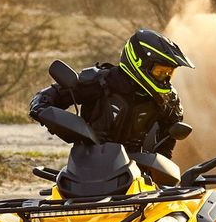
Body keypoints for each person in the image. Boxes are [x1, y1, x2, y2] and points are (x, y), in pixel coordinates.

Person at [29, 28, 193, 157]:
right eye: (160, 72)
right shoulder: (100, 82)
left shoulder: (167, 101)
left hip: (138, 175)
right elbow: (51, 95)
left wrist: (159, 173)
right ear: (138, 62)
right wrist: (41, 108)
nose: (165, 78)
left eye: (168, 73)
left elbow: (168, 138)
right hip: (88, 166)